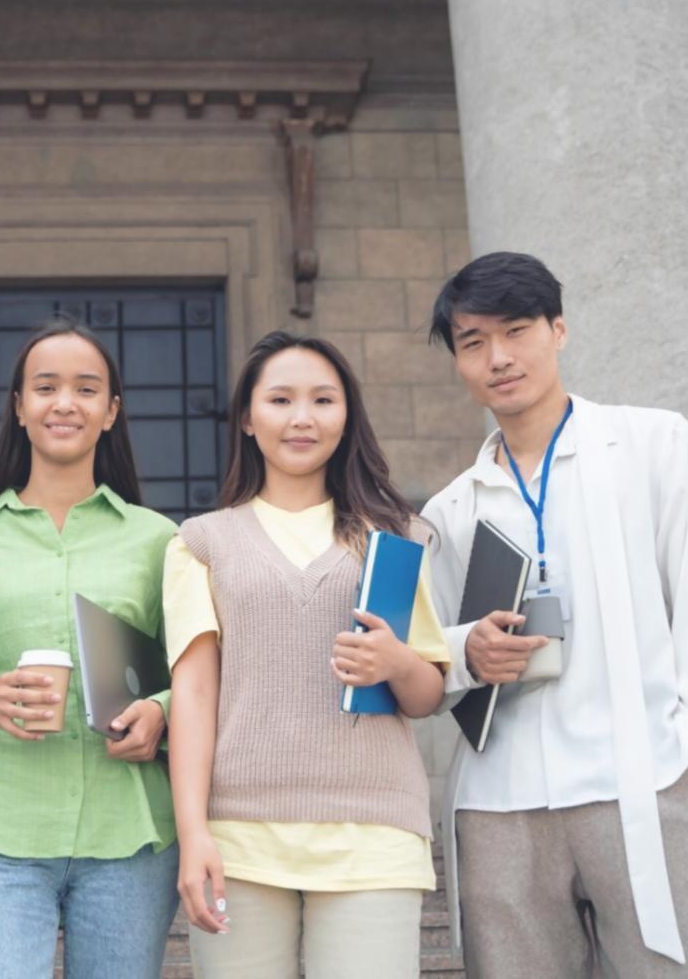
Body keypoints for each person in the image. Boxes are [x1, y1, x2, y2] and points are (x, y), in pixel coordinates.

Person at [422, 251, 688, 976]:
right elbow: (428, 653)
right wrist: (467, 650)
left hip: (638, 780)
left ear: (558, 329)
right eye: (473, 343)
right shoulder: (452, 508)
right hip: (500, 803)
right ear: (459, 362)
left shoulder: (652, 444)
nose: (499, 358)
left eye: (517, 330)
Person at [168, 331, 447, 978]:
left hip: (374, 831)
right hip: (238, 833)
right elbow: (194, 694)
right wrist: (194, 835)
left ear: (346, 415)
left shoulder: (397, 536)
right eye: (281, 399)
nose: (302, 418)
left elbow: (428, 692)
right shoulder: (200, 543)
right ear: (246, 417)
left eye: (323, 400)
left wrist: (395, 664)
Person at [0, 317, 180, 978]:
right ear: (19, 407)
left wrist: (162, 712)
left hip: (129, 837)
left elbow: (197, 677)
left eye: (87, 389)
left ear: (111, 411)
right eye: (46, 387)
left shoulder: (159, 540)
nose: (65, 403)